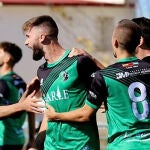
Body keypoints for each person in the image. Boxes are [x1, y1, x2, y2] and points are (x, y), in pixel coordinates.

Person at [45, 19, 150, 149]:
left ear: (115, 42)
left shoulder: (104, 76)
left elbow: (85, 114)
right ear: (138, 42)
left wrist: (55, 116)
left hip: (122, 145)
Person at [21, 15, 104, 150]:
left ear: (42, 37)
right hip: (52, 146)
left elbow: (111, 87)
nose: (26, 42)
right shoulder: (41, 71)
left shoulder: (79, 61)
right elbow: (49, 114)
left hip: (81, 145)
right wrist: (35, 146)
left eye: (28, 36)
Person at [0, 41, 44, 150]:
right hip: (18, 139)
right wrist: (31, 139)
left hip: (3, 140)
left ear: (7, 58)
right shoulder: (22, 82)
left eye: (0, 52)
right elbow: (30, 110)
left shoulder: (3, 82)